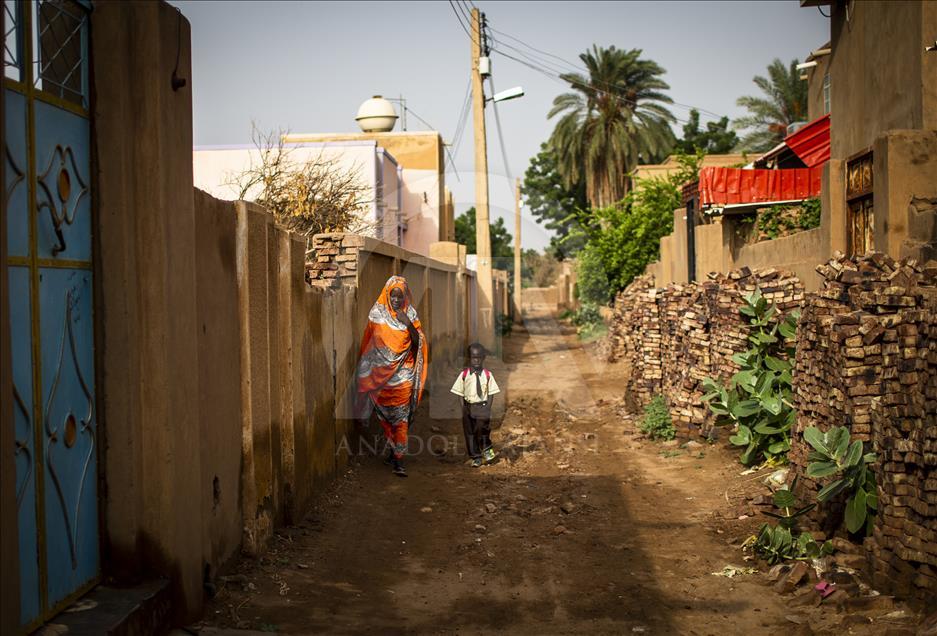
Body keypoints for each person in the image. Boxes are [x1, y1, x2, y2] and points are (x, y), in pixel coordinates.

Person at [355, 276, 428, 477]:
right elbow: (368, 344)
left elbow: (418, 344)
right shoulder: (376, 314)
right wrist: (366, 371)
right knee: (386, 419)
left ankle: (399, 461)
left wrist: (408, 324)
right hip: (381, 378)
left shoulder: (410, 314)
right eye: (393, 296)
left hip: (404, 375)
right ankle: (394, 451)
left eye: (400, 296)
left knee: (401, 418)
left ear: (405, 296)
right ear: (387, 295)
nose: (396, 300)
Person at [450, 342, 501, 467]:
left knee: (481, 428)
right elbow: (459, 393)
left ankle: (487, 447)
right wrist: (463, 408)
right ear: (469, 359)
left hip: (482, 407)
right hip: (468, 407)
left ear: (483, 358)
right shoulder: (464, 375)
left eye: (479, 358)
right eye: (473, 358)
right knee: (470, 432)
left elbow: (491, 393)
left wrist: (488, 407)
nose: (476, 360)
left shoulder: (488, 375)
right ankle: (476, 457)